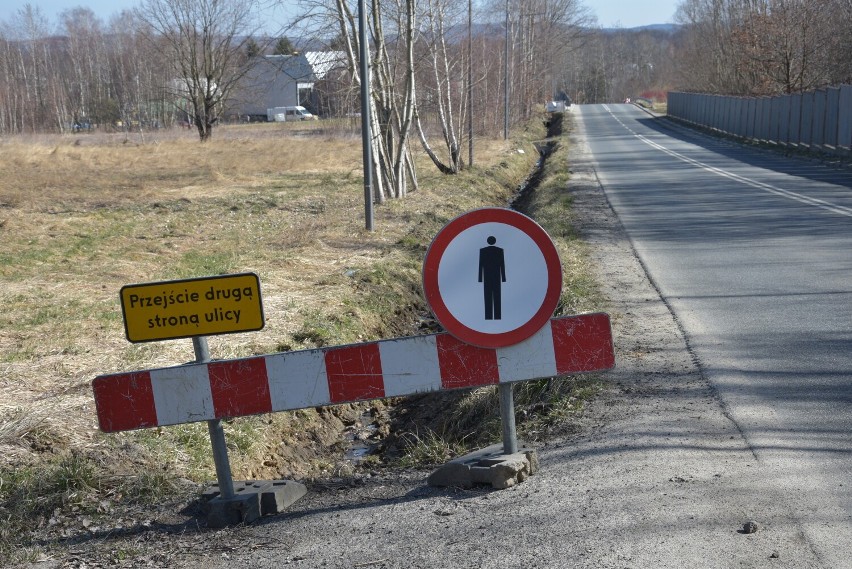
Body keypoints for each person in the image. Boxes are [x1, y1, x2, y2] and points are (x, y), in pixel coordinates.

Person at [478, 236, 506, 320]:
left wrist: (480, 278)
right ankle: (497, 317)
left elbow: (481, 266)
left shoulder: (483, 251)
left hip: (487, 277)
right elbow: (502, 265)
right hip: (497, 276)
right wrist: (503, 278)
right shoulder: (499, 250)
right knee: (497, 296)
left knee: (487, 296)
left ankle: (488, 317)